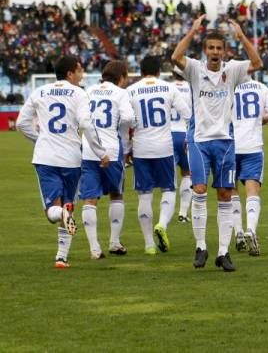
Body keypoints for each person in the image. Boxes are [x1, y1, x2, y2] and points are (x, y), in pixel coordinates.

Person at [171, 15, 263, 272]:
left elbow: (257, 63)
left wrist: (242, 36)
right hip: (199, 140)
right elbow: (174, 58)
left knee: (225, 194)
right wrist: (191, 31)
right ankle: (201, 246)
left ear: (224, 51)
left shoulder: (232, 69)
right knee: (199, 189)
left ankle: (223, 252)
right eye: (210, 48)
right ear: (205, 50)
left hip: (225, 142)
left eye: (218, 48)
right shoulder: (193, 69)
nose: (214, 52)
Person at [16, 56, 109, 268]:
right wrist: (100, 152)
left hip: (45, 157)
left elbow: (21, 123)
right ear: (70, 73)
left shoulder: (39, 91)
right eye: (79, 70)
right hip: (72, 158)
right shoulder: (79, 93)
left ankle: (62, 248)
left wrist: (39, 140)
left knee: (53, 211)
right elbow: (86, 123)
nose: (82, 74)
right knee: (68, 205)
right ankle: (61, 257)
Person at [127, 55, 191, 255]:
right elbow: (187, 114)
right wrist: (190, 138)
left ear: (140, 71)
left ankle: (148, 245)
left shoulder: (130, 91)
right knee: (169, 189)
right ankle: (162, 224)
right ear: (158, 71)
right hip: (164, 147)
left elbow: (126, 121)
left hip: (140, 147)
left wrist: (127, 148)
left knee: (144, 195)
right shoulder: (168, 88)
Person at [79, 60, 135, 259]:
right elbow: (129, 118)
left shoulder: (89, 91)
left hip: (88, 149)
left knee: (90, 198)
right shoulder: (120, 93)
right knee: (116, 194)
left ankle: (94, 248)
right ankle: (114, 242)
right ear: (121, 77)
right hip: (111, 150)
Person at [231, 79, 268, 256]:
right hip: (252, 146)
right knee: (252, 192)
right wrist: (262, 120)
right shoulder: (261, 87)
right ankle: (250, 229)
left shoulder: (227, 86)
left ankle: (238, 233)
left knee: (231, 190)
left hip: (229, 146)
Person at [170, 68, 193, 223]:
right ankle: (183, 213)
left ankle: (166, 214)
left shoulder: (167, 87)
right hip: (185, 134)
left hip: (167, 135)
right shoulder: (192, 88)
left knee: (169, 178)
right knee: (188, 173)